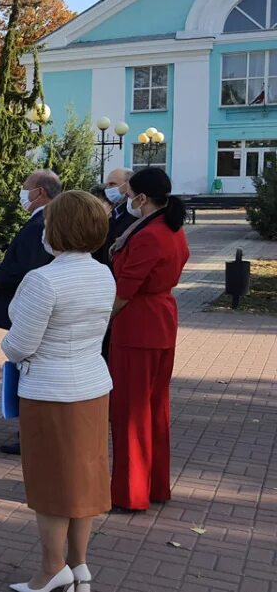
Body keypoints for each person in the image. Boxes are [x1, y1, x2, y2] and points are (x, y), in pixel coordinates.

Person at [0, 191, 116, 592]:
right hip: (92, 386)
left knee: (50, 485)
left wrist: (7, 344)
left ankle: (51, 569)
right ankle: (79, 565)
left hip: (51, 391)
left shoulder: (43, 279)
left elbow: (19, 345)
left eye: (48, 223)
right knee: (83, 479)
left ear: (58, 228)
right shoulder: (103, 272)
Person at [108, 167, 189, 513]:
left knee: (129, 410)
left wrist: (99, 322)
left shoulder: (148, 235)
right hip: (160, 322)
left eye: (128, 194)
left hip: (137, 325)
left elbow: (125, 290)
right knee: (155, 408)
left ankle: (130, 491)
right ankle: (154, 484)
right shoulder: (171, 229)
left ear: (142, 198)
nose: (126, 200)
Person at [0, 169, 60, 456]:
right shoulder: (41, 221)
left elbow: (25, 270)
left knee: (30, 371)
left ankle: (29, 432)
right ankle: (31, 430)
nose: (22, 192)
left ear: (40, 191)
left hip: (29, 315)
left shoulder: (41, 223)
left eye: (25, 187)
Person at [94, 168, 135, 265]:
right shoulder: (111, 212)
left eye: (112, 184)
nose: (108, 189)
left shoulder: (135, 215)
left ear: (128, 186)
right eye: (107, 185)